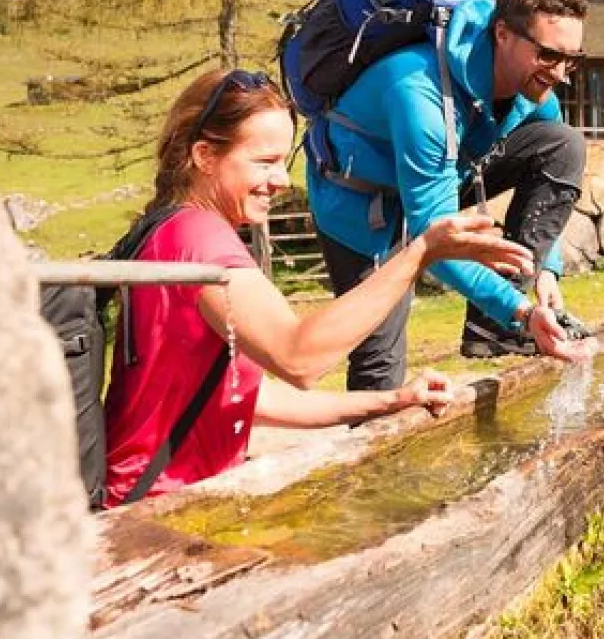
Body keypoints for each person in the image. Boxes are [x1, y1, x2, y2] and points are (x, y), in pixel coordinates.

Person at [100, 68, 534, 508]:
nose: (283, 180)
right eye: (264, 161)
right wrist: (418, 253)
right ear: (205, 156)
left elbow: (246, 399)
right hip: (158, 511)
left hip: (153, 499)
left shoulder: (170, 230)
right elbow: (299, 357)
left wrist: (392, 399)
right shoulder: (200, 239)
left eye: (283, 162)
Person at [306, 0, 598, 391]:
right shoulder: (420, 94)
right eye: (550, 56)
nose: (562, 73)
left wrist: (545, 272)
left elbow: (554, 163)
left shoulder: (532, 88)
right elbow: (436, 239)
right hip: (361, 205)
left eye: (573, 59)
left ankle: (496, 328)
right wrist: (519, 309)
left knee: (563, 143)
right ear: (502, 34)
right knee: (381, 362)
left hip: (437, 177)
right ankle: (374, 448)